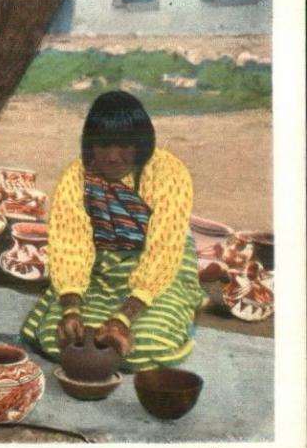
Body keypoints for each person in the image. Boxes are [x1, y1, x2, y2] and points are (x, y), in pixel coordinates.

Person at [20, 90, 206, 372]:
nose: (113, 157)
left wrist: (124, 318)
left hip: (160, 267)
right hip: (101, 266)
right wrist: (71, 309)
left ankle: (181, 312)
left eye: (125, 146)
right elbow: (72, 247)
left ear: (141, 145)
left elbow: (164, 249)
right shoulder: (77, 177)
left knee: (148, 343)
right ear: (90, 146)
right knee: (56, 336)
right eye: (103, 145)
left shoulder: (168, 172)